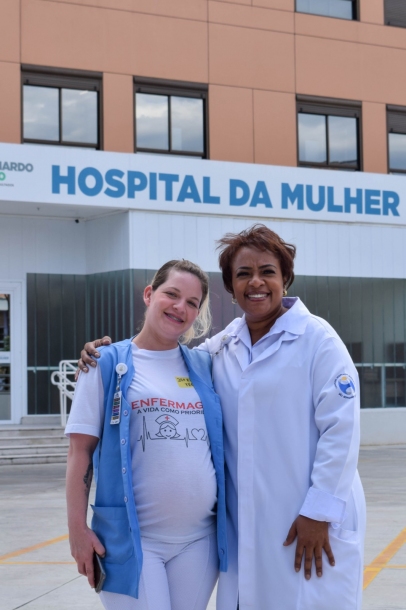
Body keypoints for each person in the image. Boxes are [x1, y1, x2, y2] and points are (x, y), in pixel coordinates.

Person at [78, 225, 366, 610]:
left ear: (285, 278)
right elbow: (166, 358)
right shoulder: (222, 347)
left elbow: (341, 430)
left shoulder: (319, 341)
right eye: (243, 274)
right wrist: (104, 354)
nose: (256, 282)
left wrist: (319, 512)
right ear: (231, 287)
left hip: (309, 520)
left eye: (267, 271)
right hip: (247, 525)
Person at [66, 259, 228, 610]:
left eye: (192, 303)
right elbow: (79, 453)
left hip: (200, 542)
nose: (180, 307)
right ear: (149, 294)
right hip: (133, 542)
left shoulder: (204, 365)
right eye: (172, 294)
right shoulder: (105, 363)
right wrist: (77, 530)